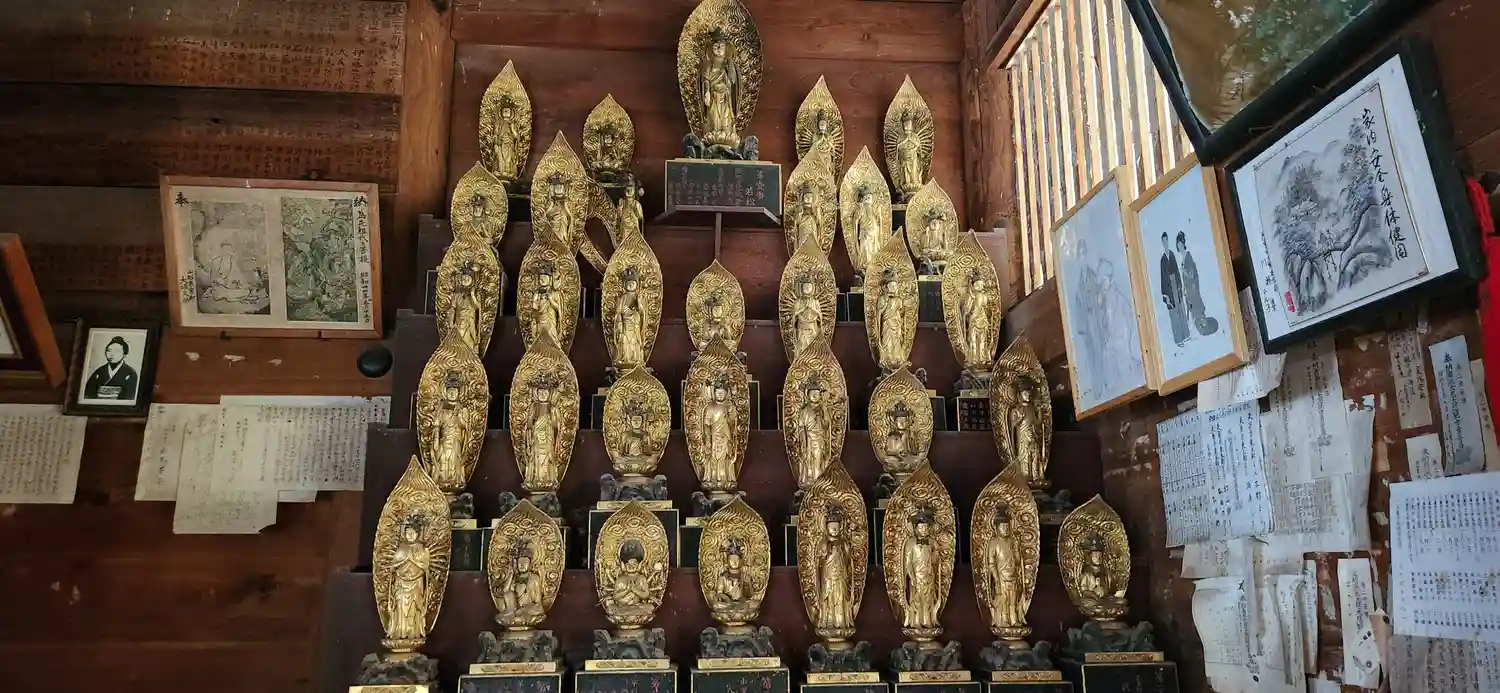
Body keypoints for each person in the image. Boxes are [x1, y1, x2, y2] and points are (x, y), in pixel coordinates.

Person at [1178, 231, 1218, 337]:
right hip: (1190, 292)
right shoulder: (1184, 259)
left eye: (1180, 244)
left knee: (1196, 311)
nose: (1179, 247)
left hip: (1193, 290)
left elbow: (1191, 275)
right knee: (1194, 312)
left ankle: (1205, 327)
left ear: (1183, 244)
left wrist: (1184, 271)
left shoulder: (1188, 258)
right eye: (1178, 245)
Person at [83, 336, 139, 402]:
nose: (112, 354)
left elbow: (129, 397)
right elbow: (89, 393)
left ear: (124, 354)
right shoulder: (99, 371)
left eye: (117, 351)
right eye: (109, 351)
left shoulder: (130, 373)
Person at [1158, 232, 1188, 346]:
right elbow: (1163, 278)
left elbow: (1177, 272)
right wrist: (1165, 295)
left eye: (1167, 240)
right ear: (1162, 242)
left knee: (1181, 309)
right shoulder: (1162, 260)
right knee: (1174, 313)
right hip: (1169, 288)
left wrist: (1180, 286)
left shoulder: (1172, 255)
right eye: (1164, 241)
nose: (1166, 242)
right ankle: (1179, 340)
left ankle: (1185, 335)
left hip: (1176, 284)